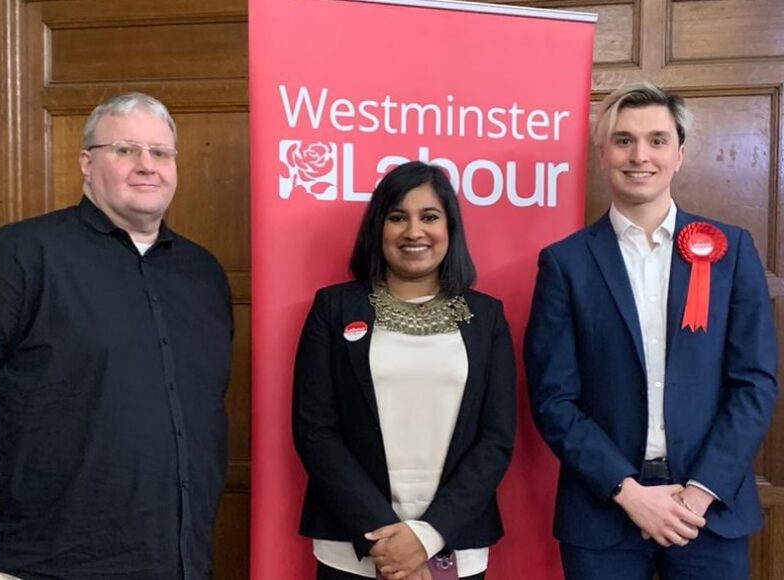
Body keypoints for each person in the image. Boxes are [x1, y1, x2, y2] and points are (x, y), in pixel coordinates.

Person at [524, 81, 778, 580]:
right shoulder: (564, 263)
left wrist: (701, 490)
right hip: (603, 511)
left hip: (710, 510)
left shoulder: (732, 249)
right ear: (602, 154)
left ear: (679, 154)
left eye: (657, 140)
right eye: (624, 140)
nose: (640, 155)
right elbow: (553, 397)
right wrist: (628, 492)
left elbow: (756, 382)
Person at [0, 93, 233, 579]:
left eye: (160, 153)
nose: (147, 166)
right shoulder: (21, 254)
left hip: (175, 561)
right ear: (86, 162)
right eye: (125, 150)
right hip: (41, 562)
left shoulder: (203, 274)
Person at [292, 161, 516, 580]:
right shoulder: (333, 308)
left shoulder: (486, 318)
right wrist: (391, 543)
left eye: (429, 217)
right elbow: (315, 431)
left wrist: (427, 537)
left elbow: (496, 440)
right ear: (379, 228)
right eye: (398, 217)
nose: (414, 232)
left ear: (450, 227)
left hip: (455, 542)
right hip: (353, 546)